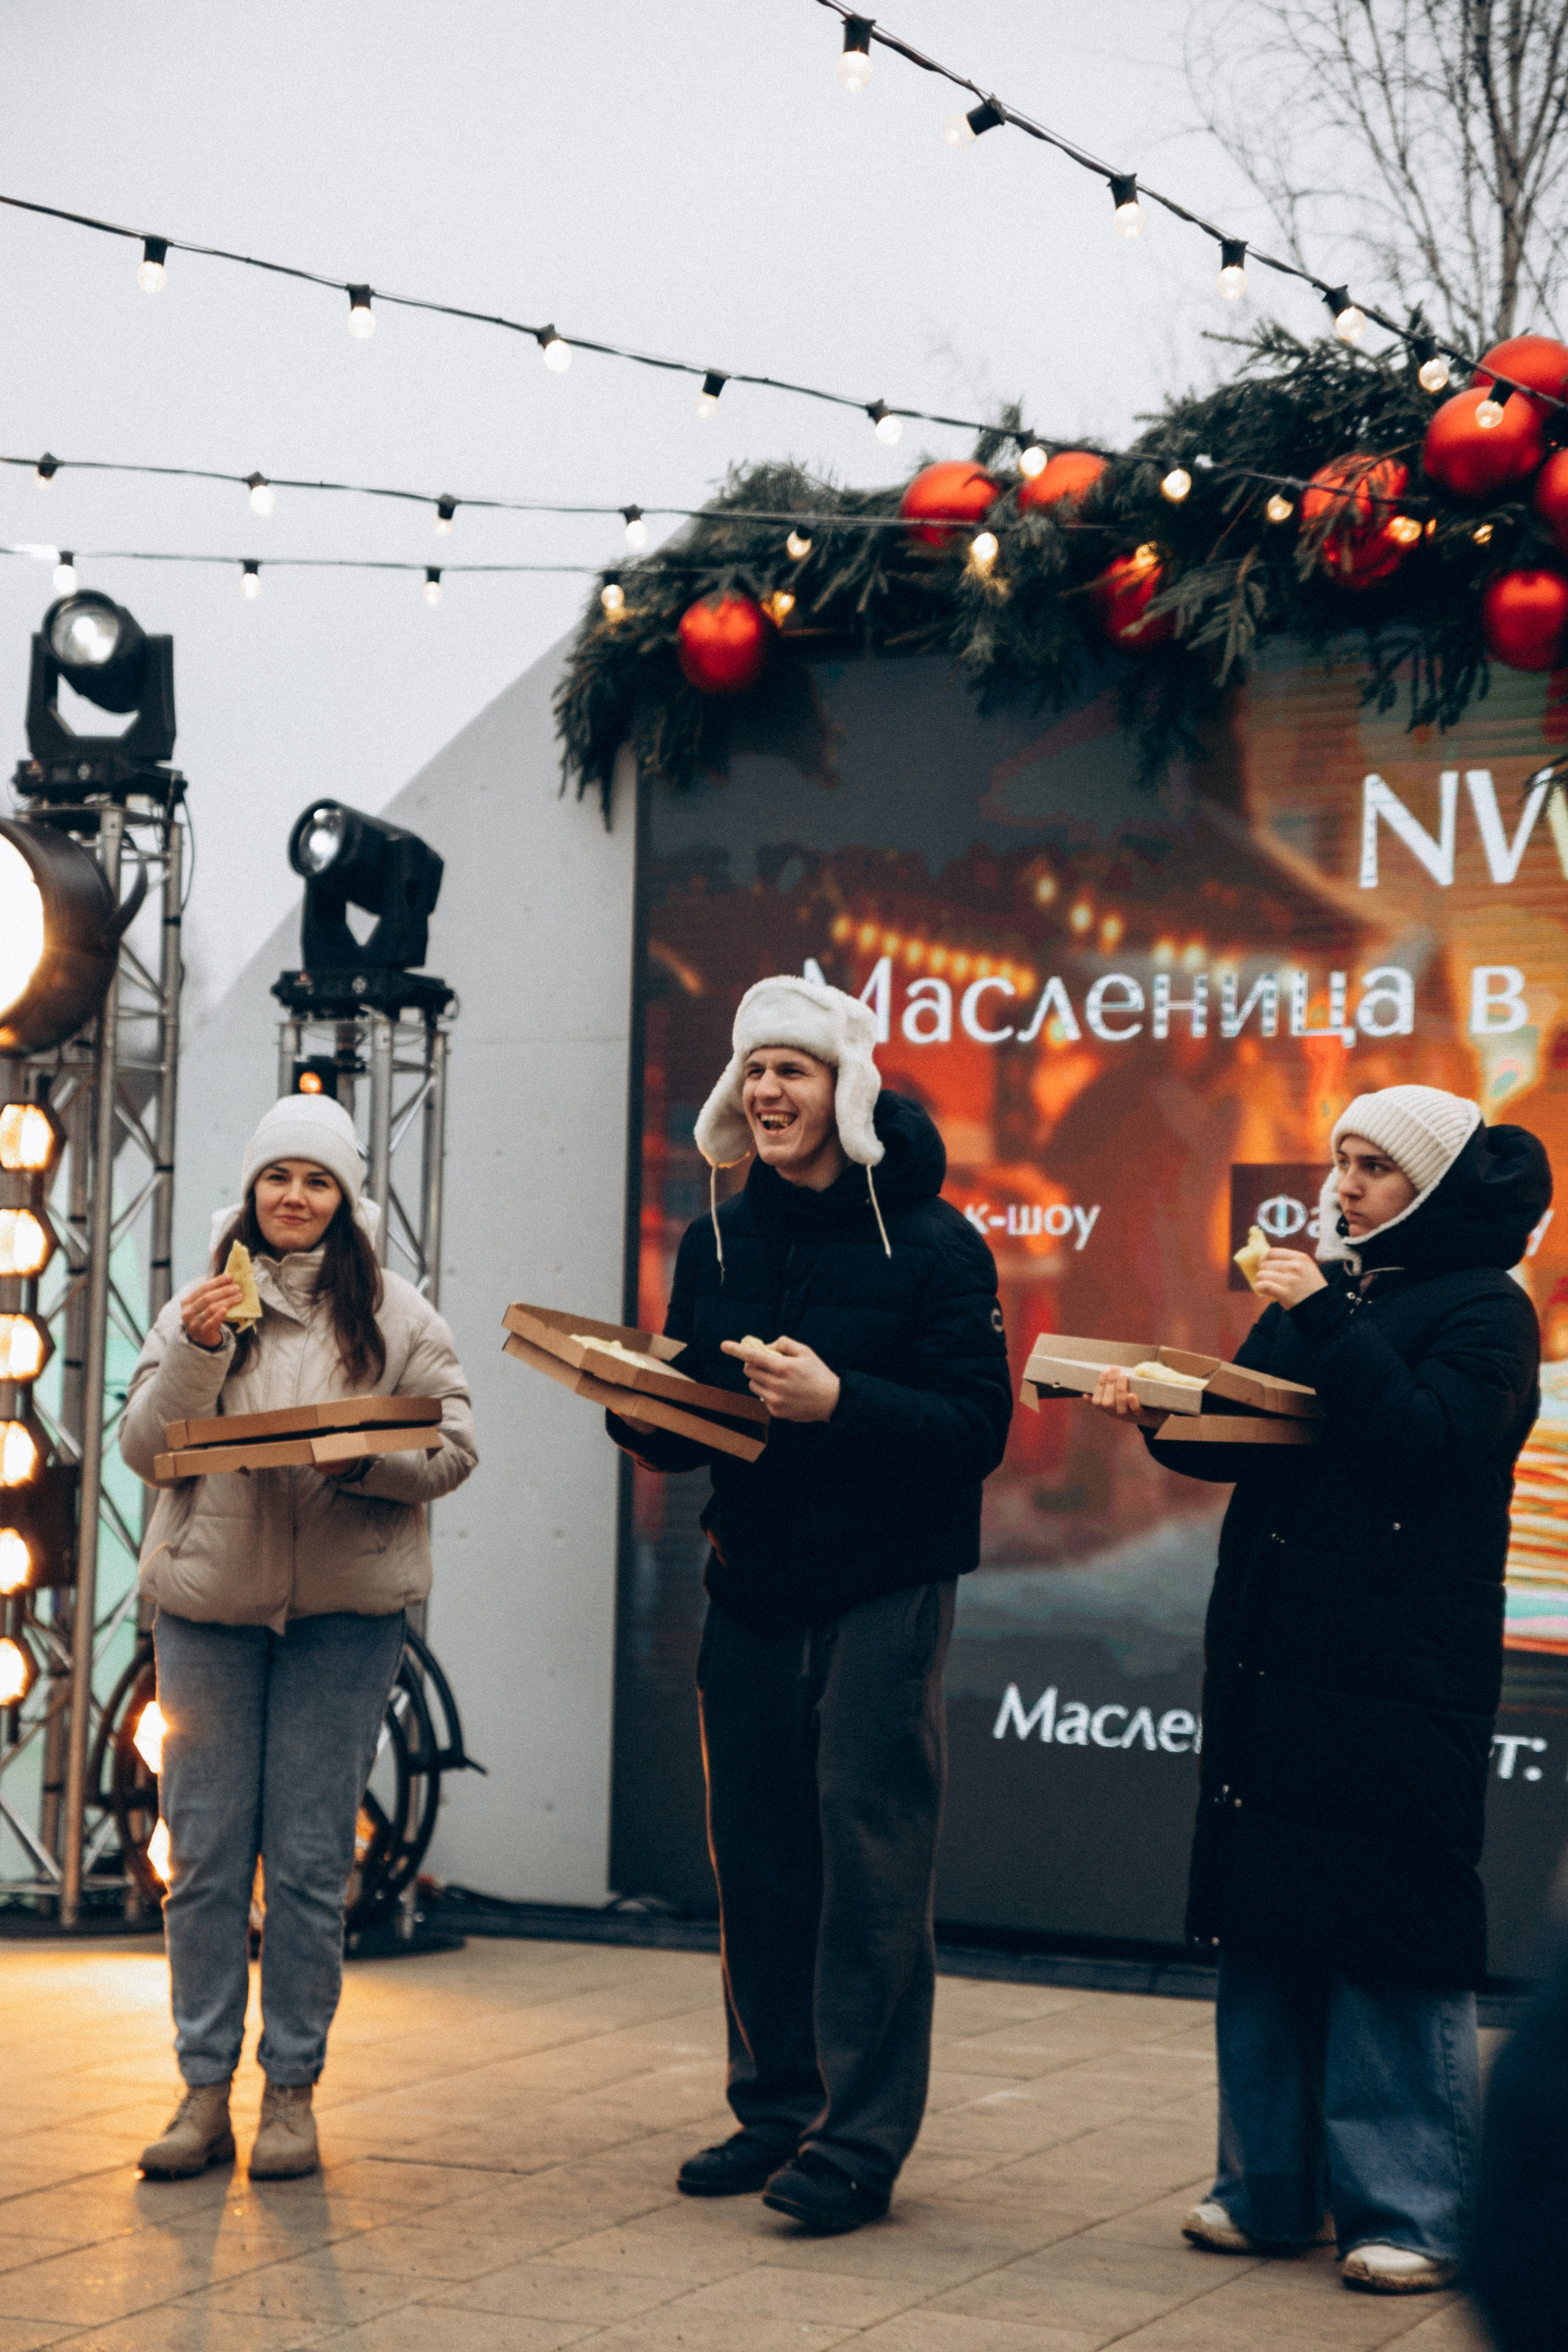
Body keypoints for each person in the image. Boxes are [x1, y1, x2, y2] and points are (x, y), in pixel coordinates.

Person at [1093, 1085, 1549, 2294]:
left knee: (1387, 1926)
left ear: (1430, 1189)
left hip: (1399, 1668)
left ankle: (1413, 2211)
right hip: (1275, 1652)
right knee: (1267, 1920)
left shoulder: (1487, 1310)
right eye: (1339, 1159)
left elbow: (1428, 1441)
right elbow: (1235, 1436)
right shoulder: (1329, 1295)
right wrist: (1156, 1412)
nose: (1341, 1184)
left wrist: (1322, 1315)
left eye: (1371, 1166)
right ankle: (1269, 2191)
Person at [608, 974, 1012, 2235]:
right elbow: (699, 1418)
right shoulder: (717, 1238)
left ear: (848, 1089)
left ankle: (859, 2140)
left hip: (884, 1585)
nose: (768, 1089)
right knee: (760, 1859)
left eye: (793, 1068)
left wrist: (842, 1404)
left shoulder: (937, 1242)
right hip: (750, 1582)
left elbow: (976, 1431)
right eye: (754, 1069)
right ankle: (775, 2107)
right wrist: (641, 1409)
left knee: (868, 1862)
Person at [121, 1092, 477, 2182]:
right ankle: (201, 2091)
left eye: (317, 1180)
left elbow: (453, 1448)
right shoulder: (199, 1307)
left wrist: (362, 1461)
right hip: (210, 1610)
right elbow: (145, 1448)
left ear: (345, 1200)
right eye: (278, 1177)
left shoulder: (399, 1316)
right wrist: (197, 1348)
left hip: (343, 1620)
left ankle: (290, 2093)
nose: (294, 1196)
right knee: (205, 1859)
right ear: (252, 1191)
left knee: (313, 1863)